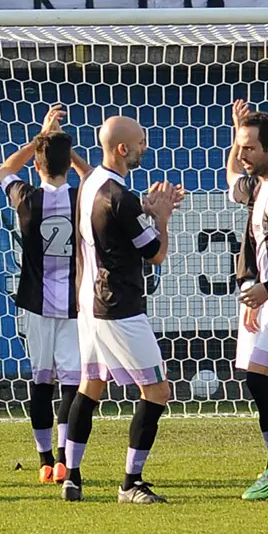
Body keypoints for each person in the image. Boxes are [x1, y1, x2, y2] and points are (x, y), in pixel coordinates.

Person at [62, 117, 184, 504]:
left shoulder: (90, 183)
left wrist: (145, 213)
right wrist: (160, 217)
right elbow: (157, 254)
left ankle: (72, 478)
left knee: (91, 385)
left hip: (88, 301)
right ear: (121, 149)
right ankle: (130, 483)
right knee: (157, 390)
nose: (144, 148)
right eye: (141, 142)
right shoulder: (118, 197)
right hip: (119, 306)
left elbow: (121, 231)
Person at [0, 105, 90, 485]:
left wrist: (41, 137)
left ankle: (45, 460)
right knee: (72, 383)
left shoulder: (26, 198)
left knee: (41, 381)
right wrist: (64, 148)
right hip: (74, 304)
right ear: (67, 166)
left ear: (36, 167)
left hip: (35, 303)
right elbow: (93, 176)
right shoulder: (82, 197)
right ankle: (68, 459)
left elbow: (4, 170)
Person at [226, 101, 268, 501]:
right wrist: (236, 131)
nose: (242, 156)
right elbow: (231, 178)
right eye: (241, 148)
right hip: (265, 302)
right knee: (258, 381)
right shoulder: (257, 187)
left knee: (265, 382)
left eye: (249, 148)